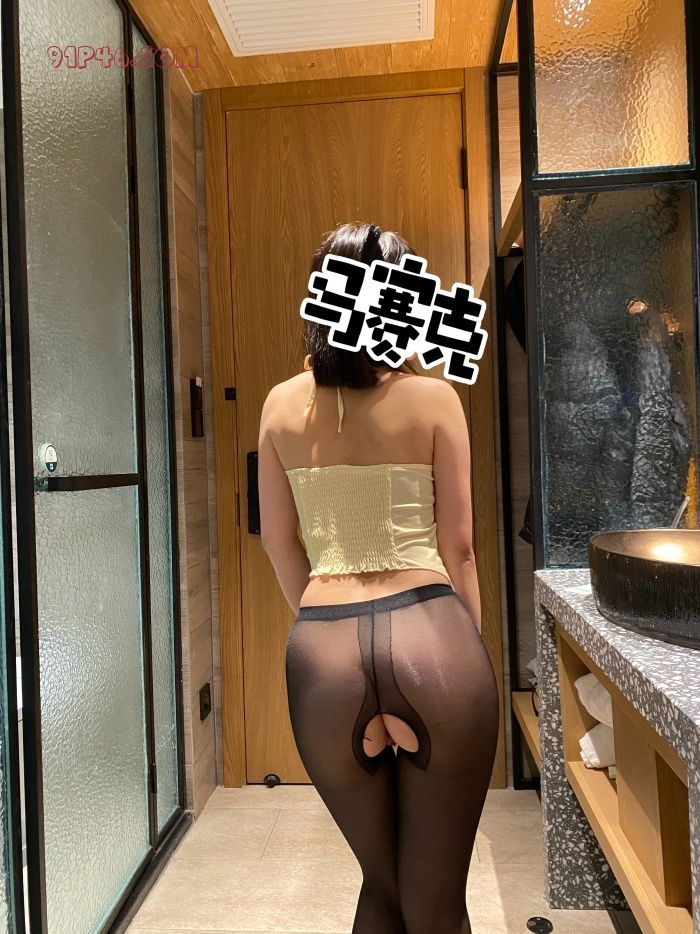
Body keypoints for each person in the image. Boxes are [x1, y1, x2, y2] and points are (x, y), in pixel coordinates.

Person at [257, 221, 499, 934]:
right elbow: (459, 549)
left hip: (323, 650)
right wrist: (466, 652)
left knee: (383, 887)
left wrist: (320, 621)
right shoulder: (433, 398)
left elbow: (279, 543)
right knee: (437, 899)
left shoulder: (279, 406)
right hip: (431, 634)